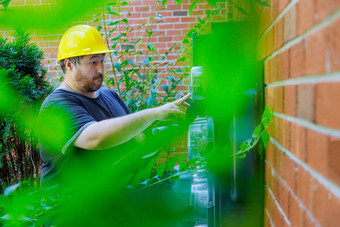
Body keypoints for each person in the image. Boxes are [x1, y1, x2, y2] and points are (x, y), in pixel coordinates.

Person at [39, 24, 190, 186]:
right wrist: (154, 113)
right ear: (69, 64)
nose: (100, 69)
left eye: (102, 61)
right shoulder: (56, 106)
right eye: (93, 62)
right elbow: (96, 139)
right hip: (70, 208)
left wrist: (169, 119)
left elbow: (137, 140)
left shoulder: (110, 95)